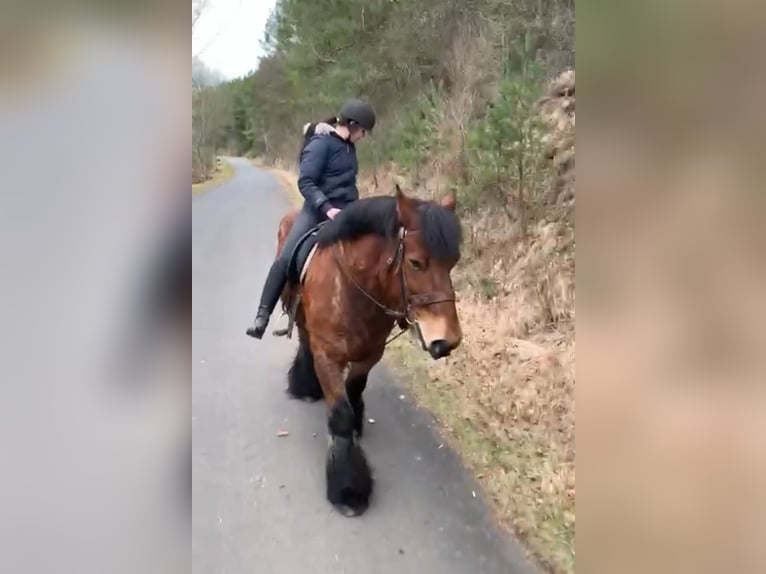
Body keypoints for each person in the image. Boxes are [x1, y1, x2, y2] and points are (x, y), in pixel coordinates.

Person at [246, 99, 376, 339]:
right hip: (316, 211)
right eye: (364, 132)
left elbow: (346, 184)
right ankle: (262, 315)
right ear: (353, 124)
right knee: (286, 259)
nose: (364, 137)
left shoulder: (349, 148)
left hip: (347, 212)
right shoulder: (320, 145)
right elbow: (306, 182)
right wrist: (327, 208)